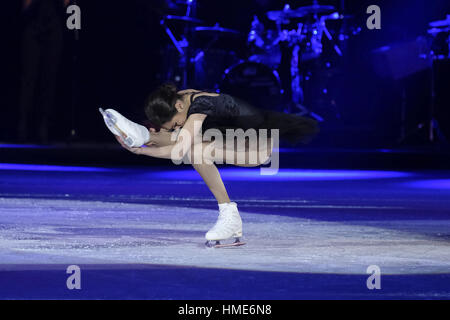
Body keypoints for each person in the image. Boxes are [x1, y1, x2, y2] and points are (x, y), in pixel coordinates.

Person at [106, 84, 319, 247]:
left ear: (179, 106)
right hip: (233, 137)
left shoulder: (200, 106)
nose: (178, 124)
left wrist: (142, 151)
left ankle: (229, 216)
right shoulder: (182, 98)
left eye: (176, 121)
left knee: (194, 149)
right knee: (179, 138)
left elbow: (180, 152)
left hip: (256, 147)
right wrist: (153, 141)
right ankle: (140, 134)